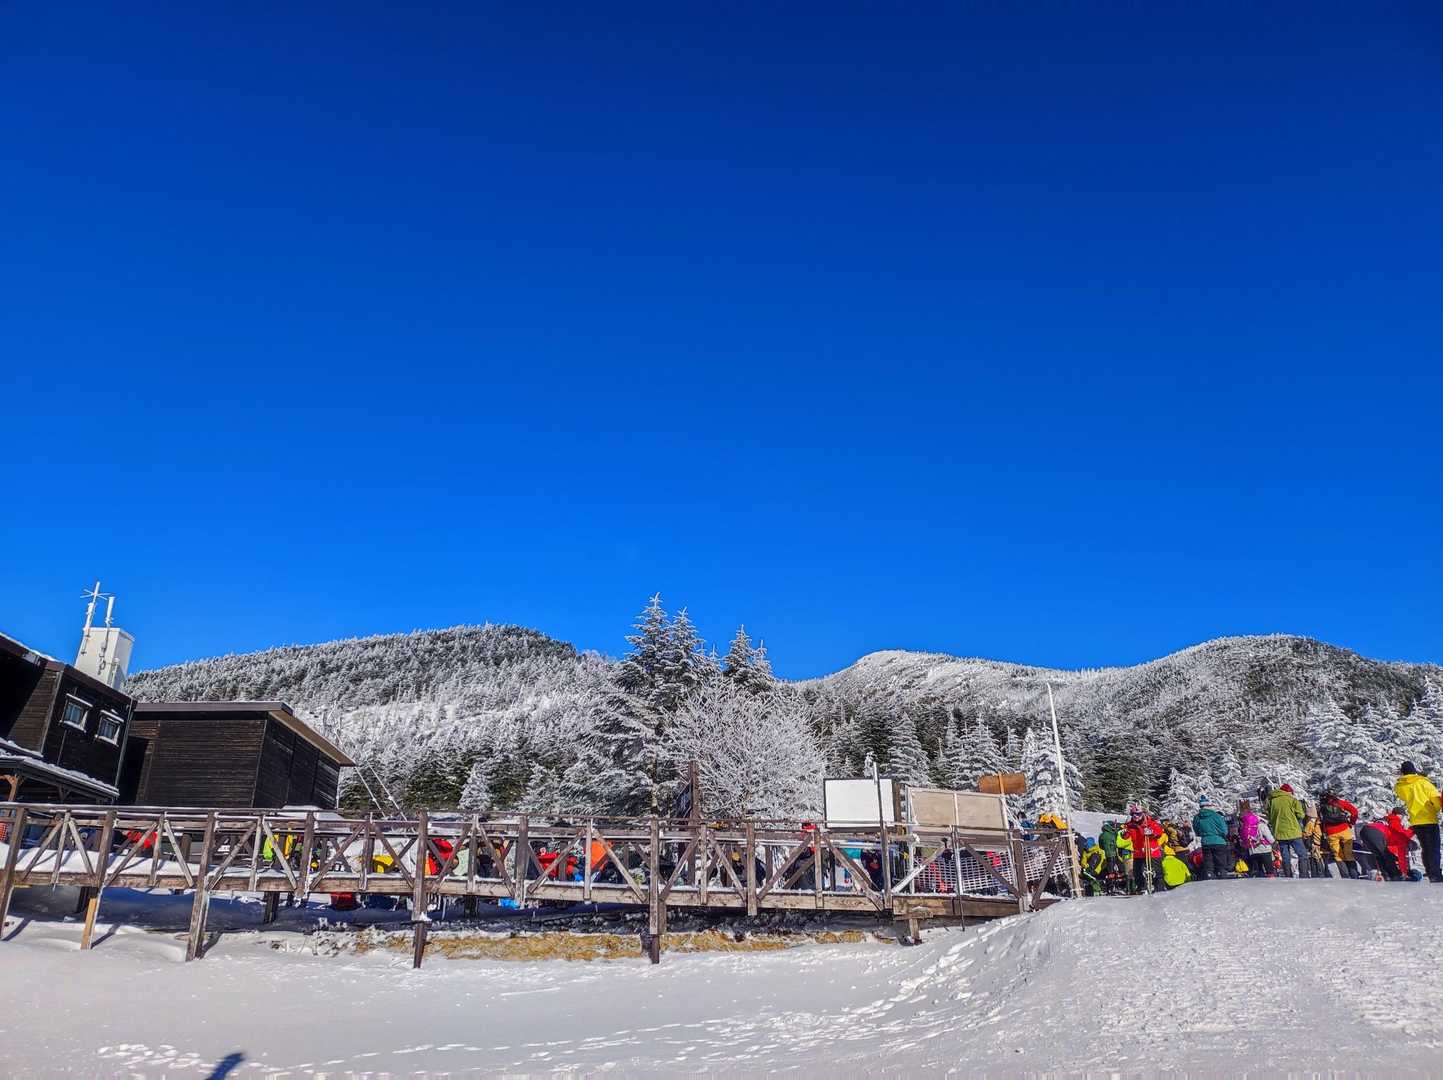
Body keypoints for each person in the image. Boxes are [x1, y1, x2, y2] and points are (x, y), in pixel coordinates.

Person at [1395, 762, 1443, 883]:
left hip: (1415, 820)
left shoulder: (1400, 786)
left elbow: (1403, 797)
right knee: (1433, 848)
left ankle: (1430, 872)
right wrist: (1436, 809)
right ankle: (1436, 875)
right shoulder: (1423, 783)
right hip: (1429, 818)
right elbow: (1436, 799)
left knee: (1425, 848)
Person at [1267, 783, 1310, 878]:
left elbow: (1269, 817)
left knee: (1285, 856)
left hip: (1279, 833)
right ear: (1289, 792)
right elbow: (1301, 815)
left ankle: (1288, 876)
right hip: (1293, 831)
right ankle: (1304, 875)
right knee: (1302, 854)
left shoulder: (1272, 801)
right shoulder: (1292, 800)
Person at [1122, 804, 1166, 893]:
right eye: (1134, 814)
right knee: (1138, 873)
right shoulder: (1130, 825)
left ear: (1142, 814)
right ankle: (1141, 889)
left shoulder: (1150, 822)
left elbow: (1159, 832)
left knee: (1156, 872)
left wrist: (1152, 832)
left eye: (1138, 814)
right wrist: (1124, 834)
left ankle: (1159, 889)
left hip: (1151, 851)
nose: (1136, 816)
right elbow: (1125, 836)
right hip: (1138, 852)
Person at [1318, 790, 1360, 879]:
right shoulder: (1340, 803)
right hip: (1344, 829)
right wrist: (1351, 822)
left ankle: (1345, 877)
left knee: (1338, 855)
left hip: (1331, 832)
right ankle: (1354, 875)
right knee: (1348, 853)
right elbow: (1355, 811)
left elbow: (1321, 821)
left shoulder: (1321, 807)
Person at [1191, 795, 1232, 880]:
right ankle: (1221, 875)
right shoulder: (1216, 815)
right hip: (1219, 841)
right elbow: (1224, 830)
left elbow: (1196, 830)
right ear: (1208, 805)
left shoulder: (1196, 817)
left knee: (1208, 862)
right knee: (1220, 862)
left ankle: (1209, 876)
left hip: (1205, 842)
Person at [1239, 799, 1275, 877]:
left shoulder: (1244, 825)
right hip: (1265, 849)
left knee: (1259, 870)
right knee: (1269, 870)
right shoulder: (1261, 825)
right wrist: (1273, 842)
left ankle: (1260, 881)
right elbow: (1270, 838)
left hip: (1252, 850)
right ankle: (1271, 880)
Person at [1301, 807, 1328, 878]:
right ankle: (1324, 873)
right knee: (1322, 859)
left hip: (1315, 844)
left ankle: (1318, 874)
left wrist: (1303, 836)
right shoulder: (1320, 821)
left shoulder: (1312, 821)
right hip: (1320, 843)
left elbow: (1307, 833)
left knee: (1315, 859)